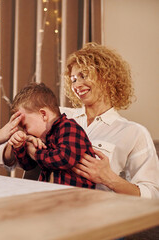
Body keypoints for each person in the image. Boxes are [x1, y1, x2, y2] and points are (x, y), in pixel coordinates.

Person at [61, 42, 159, 198]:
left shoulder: (133, 133)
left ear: (105, 77)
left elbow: (152, 194)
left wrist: (109, 179)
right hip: (50, 208)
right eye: (73, 79)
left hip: (97, 216)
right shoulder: (60, 116)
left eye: (83, 76)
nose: (77, 85)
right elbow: (12, 159)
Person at [8, 82, 96, 188]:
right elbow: (28, 165)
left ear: (43, 115)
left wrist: (36, 153)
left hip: (77, 197)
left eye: (26, 126)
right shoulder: (43, 138)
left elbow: (64, 158)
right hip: (53, 195)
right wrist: (20, 146)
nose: (26, 132)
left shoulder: (69, 127)